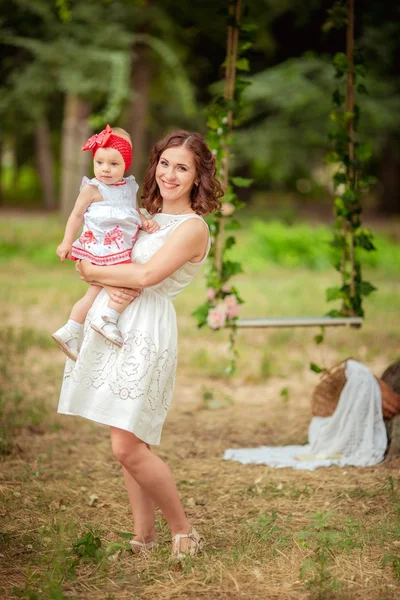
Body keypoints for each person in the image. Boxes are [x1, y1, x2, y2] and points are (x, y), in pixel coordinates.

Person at [57, 130, 223, 559]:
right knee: (128, 439)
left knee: (126, 445)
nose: (170, 174)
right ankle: (143, 538)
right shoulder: (142, 214)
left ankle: (184, 532)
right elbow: (96, 251)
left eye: (182, 167)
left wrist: (92, 271)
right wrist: (91, 267)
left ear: (198, 176)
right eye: (165, 164)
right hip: (113, 322)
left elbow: (146, 277)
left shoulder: (193, 228)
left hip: (146, 329)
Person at [52, 124, 159, 361]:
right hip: (101, 246)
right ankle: (107, 319)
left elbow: (130, 210)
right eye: (99, 162)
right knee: (131, 286)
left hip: (119, 247)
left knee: (93, 293)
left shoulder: (129, 186)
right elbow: (76, 216)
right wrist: (66, 242)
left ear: (126, 165)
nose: (105, 170)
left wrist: (143, 220)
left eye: (113, 164)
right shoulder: (92, 188)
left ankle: (70, 329)